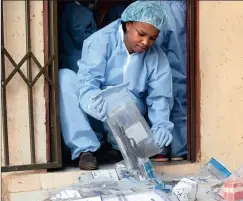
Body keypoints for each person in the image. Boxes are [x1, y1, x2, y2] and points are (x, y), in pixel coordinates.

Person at [58, 1, 174, 170]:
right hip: (96, 107)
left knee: (120, 95)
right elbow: (88, 78)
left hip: (128, 114)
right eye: (141, 34)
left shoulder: (157, 57)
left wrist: (161, 125)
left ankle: (116, 148)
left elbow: (160, 97)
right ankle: (86, 150)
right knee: (65, 77)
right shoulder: (101, 40)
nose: (145, 42)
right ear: (128, 25)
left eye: (153, 38)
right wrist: (90, 98)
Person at [152, 1, 187, 162]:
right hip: (163, 10)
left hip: (161, 9)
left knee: (175, 80)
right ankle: (174, 147)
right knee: (153, 76)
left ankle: (162, 147)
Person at [59, 1, 98, 73]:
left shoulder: (65, 8)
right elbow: (84, 40)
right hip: (79, 65)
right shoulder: (81, 12)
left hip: (65, 64)